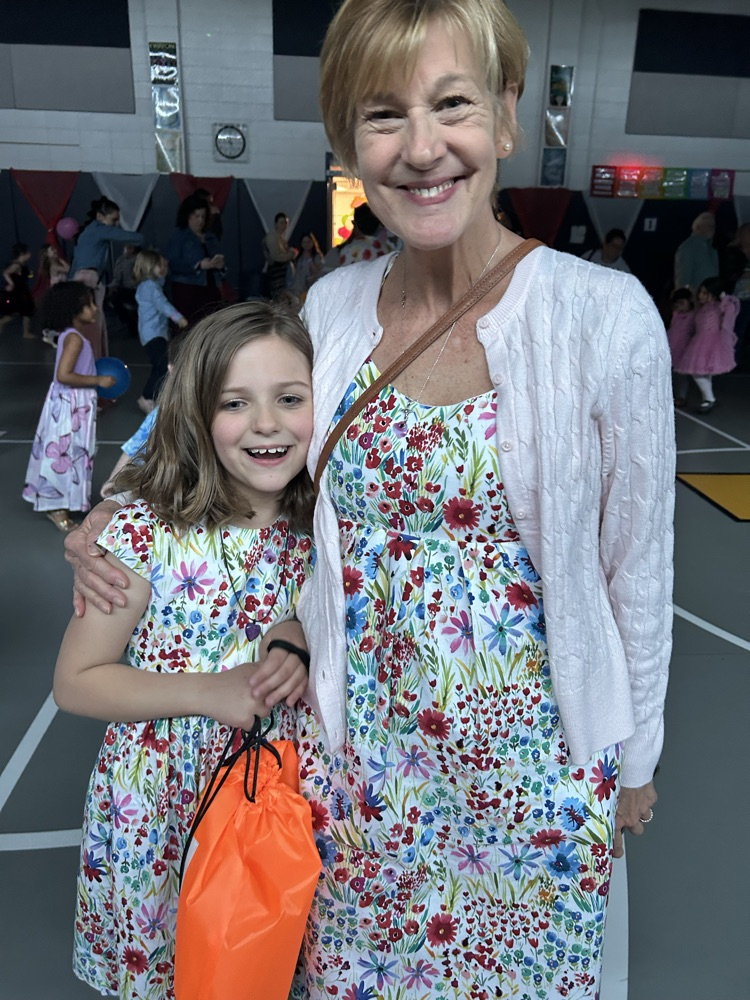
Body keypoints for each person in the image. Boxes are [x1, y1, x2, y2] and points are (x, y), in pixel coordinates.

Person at [66, 2, 675, 996]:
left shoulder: (602, 319)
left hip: (533, 776)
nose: (423, 148)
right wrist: (115, 501)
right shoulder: (333, 308)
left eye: (453, 104)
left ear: (508, 115)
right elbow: (252, 443)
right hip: (361, 764)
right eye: (384, 116)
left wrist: (636, 762)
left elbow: (637, 571)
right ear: (348, 143)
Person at [54, 300, 316, 997]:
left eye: (290, 398)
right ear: (197, 415)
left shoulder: (326, 530)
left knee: (250, 965)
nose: (267, 423)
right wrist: (211, 691)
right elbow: (77, 681)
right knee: (171, 970)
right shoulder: (145, 533)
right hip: (157, 809)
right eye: (236, 402)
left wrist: (292, 638)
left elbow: (304, 621)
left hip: (271, 795)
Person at [22, 282, 115, 532]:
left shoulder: (72, 336)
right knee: (65, 451)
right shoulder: (75, 339)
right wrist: (98, 380)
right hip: (71, 404)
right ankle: (56, 506)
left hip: (72, 403)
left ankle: (63, 498)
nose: (94, 309)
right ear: (73, 310)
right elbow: (63, 375)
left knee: (71, 452)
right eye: (88, 304)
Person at [69, 197, 145, 359]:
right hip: (88, 279)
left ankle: (90, 358)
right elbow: (136, 238)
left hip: (86, 279)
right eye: (114, 219)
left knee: (90, 321)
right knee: (93, 322)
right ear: (100, 216)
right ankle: (93, 359)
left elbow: (75, 263)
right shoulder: (98, 229)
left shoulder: (89, 232)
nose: (116, 224)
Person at [133, 248, 188, 414]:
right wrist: (178, 317)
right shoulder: (150, 287)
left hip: (154, 334)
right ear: (150, 267)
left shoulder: (150, 285)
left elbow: (161, 284)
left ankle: (154, 396)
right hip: (153, 334)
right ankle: (146, 397)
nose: (163, 269)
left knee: (161, 366)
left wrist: (163, 267)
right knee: (162, 366)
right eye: (159, 266)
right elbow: (162, 304)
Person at [674, 276, 739, 413]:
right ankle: (707, 398)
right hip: (699, 341)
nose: (701, 296)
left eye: (705, 293)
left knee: (697, 372)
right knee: (702, 371)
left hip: (710, 342)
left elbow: (728, 316)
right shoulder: (703, 308)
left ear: (714, 294)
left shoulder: (719, 307)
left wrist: (724, 301)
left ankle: (709, 398)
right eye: (700, 292)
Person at [166, 193, 226, 323]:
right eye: (196, 216)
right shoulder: (179, 236)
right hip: (188, 290)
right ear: (187, 216)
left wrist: (220, 266)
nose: (200, 220)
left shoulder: (210, 237)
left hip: (211, 287)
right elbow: (173, 263)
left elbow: (220, 260)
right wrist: (198, 265)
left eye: (203, 216)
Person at [674, 211, 718, 292]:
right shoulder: (688, 247)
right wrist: (685, 296)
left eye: (713, 226)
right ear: (697, 227)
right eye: (708, 225)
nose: (711, 228)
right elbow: (683, 276)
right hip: (695, 298)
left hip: (710, 298)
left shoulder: (711, 249)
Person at [0, 242, 35, 339]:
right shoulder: (17, 265)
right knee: (26, 312)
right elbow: (6, 273)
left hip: (20, 291)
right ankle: (26, 333)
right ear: (22, 254)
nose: (30, 254)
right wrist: (11, 283)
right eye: (28, 252)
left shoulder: (22, 265)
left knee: (18, 313)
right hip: (19, 292)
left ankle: (25, 332)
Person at [666, 288, 694, 408]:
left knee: (682, 375)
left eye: (683, 303)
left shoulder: (693, 316)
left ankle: (682, 396)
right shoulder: (675, 314)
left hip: (683, 349)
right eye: (677, 304)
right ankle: (668, 395)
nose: (680, 306)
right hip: (671, 346)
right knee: (669, 373)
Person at [262, 211, 297, 298]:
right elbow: (276, 257)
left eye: (286, 223)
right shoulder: (272, 237)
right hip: (276, 272)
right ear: (276, 224)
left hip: (282, 273)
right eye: (281, 222)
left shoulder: (281, 238)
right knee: (278, 297)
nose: (284, 225)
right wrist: (291, 254)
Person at [291, 232, 324, 300]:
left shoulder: (317, 256)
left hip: (312, 286)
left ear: (312, 242)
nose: (306, 244)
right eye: (304, 242)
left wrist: (309, 259)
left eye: (308, 242)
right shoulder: (299, 256)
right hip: (298, 288)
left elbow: (317, 271)